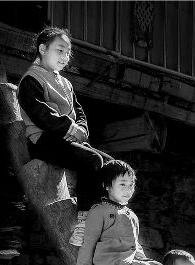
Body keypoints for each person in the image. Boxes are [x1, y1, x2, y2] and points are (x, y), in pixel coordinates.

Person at [17, 26, 113, 246]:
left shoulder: (65, 83)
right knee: (92, 160)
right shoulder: (31, 79)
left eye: (68, 53)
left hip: (66, 138)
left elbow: (79, 111)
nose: (65, 57)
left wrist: (81, 130)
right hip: (43, 140)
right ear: (43, 49)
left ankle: (107, 222)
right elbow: (41, 113)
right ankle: (83, 225)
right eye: (60, 50)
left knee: (111, 166)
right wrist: (70, 129)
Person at [73, 159, 163, 265]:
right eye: (122, 184)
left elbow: (136, 246)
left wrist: (145, 261)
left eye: (131, 185)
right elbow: (88, 244)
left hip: (127, 264)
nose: (128, 190)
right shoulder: (99, 211)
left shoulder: (131, 215)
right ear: (107, 185)